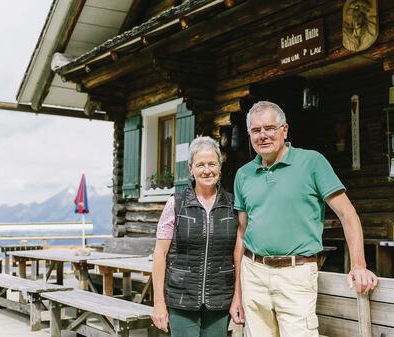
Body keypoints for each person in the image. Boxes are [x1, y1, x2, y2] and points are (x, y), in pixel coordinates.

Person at [229, 101, 378, 337]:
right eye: (256, 131)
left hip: (296, 273)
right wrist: (237, 293)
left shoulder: (312, 162)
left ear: (284, 130)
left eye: (270, 128)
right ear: (249, 135)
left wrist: (359, 265)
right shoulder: (243, 174)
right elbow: (242, 233)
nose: (263, 136)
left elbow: (347, 214)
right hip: (253, 274)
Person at [152, 136, 238, 337]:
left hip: (220, 299)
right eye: (200, 165)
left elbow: (238, 254)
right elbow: (159, 254)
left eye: (212, 164)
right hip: (181, 299)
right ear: (191, 168)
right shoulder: (175, 204)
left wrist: (237, 297)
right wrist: (158, 303)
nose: (207, 170)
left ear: (220, 166)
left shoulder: (233, 206)